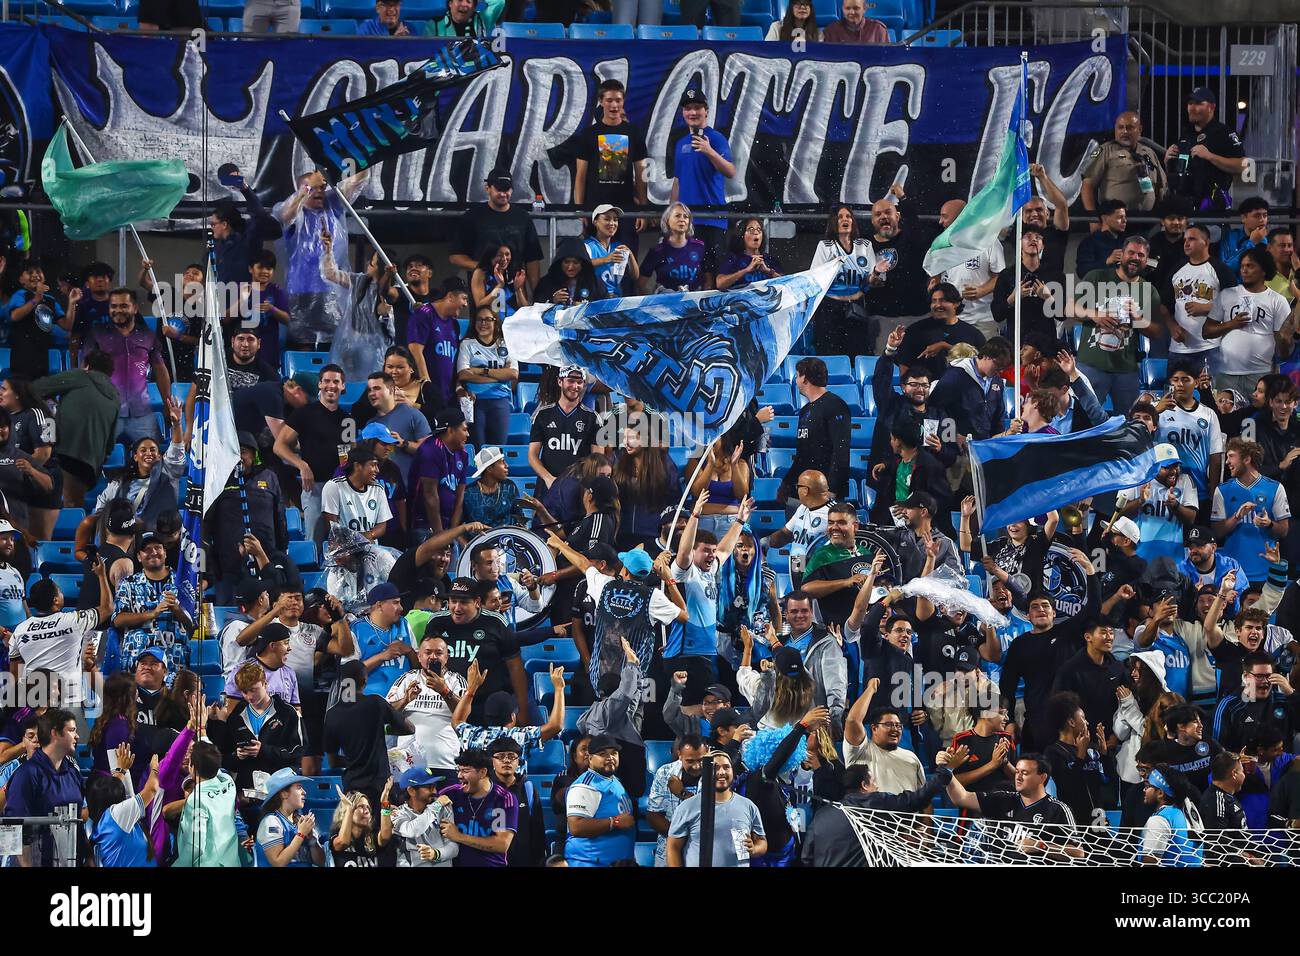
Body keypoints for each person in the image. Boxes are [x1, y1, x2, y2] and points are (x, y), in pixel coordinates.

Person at [801, 748, 962, 866]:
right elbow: (917, 799)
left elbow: (806, 858)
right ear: (864, 785)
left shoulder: (821, 815)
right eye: (874, 782)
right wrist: (945, 770)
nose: (877, 787)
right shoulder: (873, 803)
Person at [272, 167, 369, 351]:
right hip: (300, 295)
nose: (319, 192)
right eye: (313, 189)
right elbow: (285, 215)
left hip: (333, 293)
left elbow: (357, 182)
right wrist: (309, 187)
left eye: (321, 188)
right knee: (302, 348)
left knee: (332, 350)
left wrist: (365, 156)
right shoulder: (291, 211)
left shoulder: (333, 205)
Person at [10, 560, 110, 731]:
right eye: (60, 591)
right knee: (74, 752)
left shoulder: (20, 630)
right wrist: (101, 575)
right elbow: (107, 608)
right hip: (70, 701)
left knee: (38, 752)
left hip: (36, 703)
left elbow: (15, 673)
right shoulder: (73, 621)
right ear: (56, 600)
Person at [422, 578, 530, 725]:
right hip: (446, 703)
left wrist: (523, 710)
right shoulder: (436, 622)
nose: (457, 608)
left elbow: (515, 666)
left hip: (487, 706)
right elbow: (425, 660)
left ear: (477, 602)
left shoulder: (496, 623)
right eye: (453, 601)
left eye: (464, 602)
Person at [1075, 235, 1162, 414]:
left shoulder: (1148, 290)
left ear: (1146, 260)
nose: (1135, 258)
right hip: (1091, 364)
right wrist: (1095, 315)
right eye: (1131, 252)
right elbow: (1070, 308)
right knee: (1083, 418)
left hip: (1125, 370)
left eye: (1141, 255)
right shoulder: (1097, 276)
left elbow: (1157, 331)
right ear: (1121, 255)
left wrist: (1138, 318)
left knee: (1129, 420)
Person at [1203, 247, 1296, 398]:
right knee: (1227, 419)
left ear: (1264, 270)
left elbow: (1284, 346)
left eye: (1250, 266)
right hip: (1227, 374)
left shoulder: (1277, 300)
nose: (1244, 270)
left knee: (1258, 419)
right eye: (1242, 266)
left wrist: (1283, 341)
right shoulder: (1227, 295)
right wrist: (1231, 324)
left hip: (1261, 375)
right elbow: (1206, 331)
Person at [323, 661, 416, 810]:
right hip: (380, 787)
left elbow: (333, 762)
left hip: (352, 789)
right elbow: (410, 728)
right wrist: (383, 730)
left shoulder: (332, 714)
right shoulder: (375, 703)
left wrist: (356, 760)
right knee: (383, 832)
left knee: (357, 831)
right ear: (365, 680)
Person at [32, 352, 120, 508]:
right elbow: (110, 444)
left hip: (65, 453)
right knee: (73, 505)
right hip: (91, 465)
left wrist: (50, 404)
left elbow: (36, 388)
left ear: (86, 366)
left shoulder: (80, 376)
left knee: (64, 506)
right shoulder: (115, 396)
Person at [84, 288, 171, 444]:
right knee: (96, 460)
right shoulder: (97, 334)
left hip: (142, 413)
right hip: (107, 413)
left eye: (124, 306)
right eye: (114, 306)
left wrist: (167, 402)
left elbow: (160, 370)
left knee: (153, 459)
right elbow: (85, 370)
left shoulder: (148, 336)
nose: (118, 310)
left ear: (135, 308)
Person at [274, 364, 349, 545]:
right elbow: (279, 446)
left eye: (336, 381)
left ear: (343, 386)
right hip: (313, 488)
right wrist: (302, 465)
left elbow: (348, 453)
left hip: (340, 489)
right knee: (313, 541)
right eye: (327, 381)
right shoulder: (304, 414)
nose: (331, 386)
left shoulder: (348, 419)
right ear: (320, 385)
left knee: (342, 543)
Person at [206, 660, 305, 795]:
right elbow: (223, 758)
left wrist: (263, 750)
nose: (249, 696)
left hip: (280, 791)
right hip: (245, 791)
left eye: (253, 690)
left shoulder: (288, 713)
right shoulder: (236, 717)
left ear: (265, 684)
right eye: (244, 692)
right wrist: (237, 756)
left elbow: (298, 752)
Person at [571, 78, 648, 247]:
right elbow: (580, 176)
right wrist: (580, 209)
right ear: (601, 102)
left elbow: (641, 174)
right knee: (596, 258)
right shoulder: (588, 134)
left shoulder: (634, 133)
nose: (614, 105)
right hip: (596, 209)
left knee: (626, 259)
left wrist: (643, 209)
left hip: (626, 209)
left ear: (623, 102)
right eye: (609, 100)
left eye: (618, 100)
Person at [3, 709, 84, 866]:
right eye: (72, 730)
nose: (77, 736)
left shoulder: (73, 773)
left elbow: (78, 822)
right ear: (55, 733)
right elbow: (10, 828)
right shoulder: (26, 774)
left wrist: (88, 857)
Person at [666, 748, 766, 867]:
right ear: (705, 773)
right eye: (716, 767)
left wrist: (754, 849)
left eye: (726, 767)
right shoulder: (687, 807)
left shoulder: (748, 806)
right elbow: (673, 848)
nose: (722, 772)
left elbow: (762, 841)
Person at [670, 88, 735, 267]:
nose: (692, 112)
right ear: (683, 112)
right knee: (689, 275)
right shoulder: (681, 143)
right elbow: (677, 181)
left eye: (697, 107)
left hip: (712, 219)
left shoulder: (716, 138)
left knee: (715, 277)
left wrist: (709, 151)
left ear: (706, 110)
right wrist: (670, 216)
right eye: (688, 108)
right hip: (687, 222)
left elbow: (730, 171)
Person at [448, 167, 542, 290]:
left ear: (512, 190)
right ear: (487, 188)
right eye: (498, 189)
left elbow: (532, 259)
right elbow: (455, 256)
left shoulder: (523, 217)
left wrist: (536, 294)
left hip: (514, 286)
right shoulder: (472, 217)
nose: (503, 194)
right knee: (484, 310)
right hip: (482, 285)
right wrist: (483, 267)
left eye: (506, 189)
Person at [1211, 438, 1290, 584]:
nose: (1227, 462)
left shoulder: (1275, 488)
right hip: (1233, 574)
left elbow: (1284, 530)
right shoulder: (1222, 490)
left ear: (1247, 459)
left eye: (1231, 456)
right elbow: (1217, 532)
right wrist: (1237, 517)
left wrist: (1269, 524)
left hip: (1266, 571)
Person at [1164, 225, 1238, 375]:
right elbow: (1163, 305)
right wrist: (1172, 326)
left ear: (1206, 242)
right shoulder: (1176, 270)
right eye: (1185, 239)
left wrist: (1206, 308)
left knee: (1210, 396)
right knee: (1174, 396)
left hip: (1210, 349)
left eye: (1192, 239)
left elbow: (1236, 306)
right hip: (1178, 349)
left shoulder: (1220, 270)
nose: (1186, 243)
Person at [809, 204, 881, 357]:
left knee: (858, 353)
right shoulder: (825, 246)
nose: (845, 219)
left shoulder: (865, 246)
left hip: (857, 307)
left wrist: (876, 275)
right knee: (830, 355)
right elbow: (814, 279)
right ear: (833, 222)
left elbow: (871, 279)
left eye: (848, 216)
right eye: (840, 217)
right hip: (829, 309)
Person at [1164, 87, 1246, 213]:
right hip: (1184, 207)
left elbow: (1243, 166)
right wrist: (1168, 160)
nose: (1192, 108)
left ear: (1212, 107)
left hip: (1211, 209)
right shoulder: (1186, 134)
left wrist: (1210, 156)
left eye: (1198, 103)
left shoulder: (1223, 133)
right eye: (1190, 103)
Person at [1157, 360, 1226, 502]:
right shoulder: (1158, 411)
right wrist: (1155, 411)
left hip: (1198, 490)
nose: (1180, 384)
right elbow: (1137, 434)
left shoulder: (1208, 414)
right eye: (1175, 380)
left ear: (1195, 382)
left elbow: (1215, 457)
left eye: (1185, 379)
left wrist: (1214, 492)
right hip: (1162, 490)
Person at [528, 365, 602, 492]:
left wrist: (586, 483)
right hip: (548, 487)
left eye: (579, 382)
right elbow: (532, 455)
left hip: (578, 489)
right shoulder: (543, 414)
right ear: (559, 381)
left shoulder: (593, 418)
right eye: (571, 381)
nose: (575, 386)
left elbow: (598, 459)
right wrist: (548, 478)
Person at [438, 747, 517, 867]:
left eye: (465, 771)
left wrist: (459, 836)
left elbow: (501, 844)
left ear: (482, 772)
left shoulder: (502, 799)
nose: (459, 775)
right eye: (458, 770)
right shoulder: (450, 794)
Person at [563, 734, 635, 866]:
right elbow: (576, 827)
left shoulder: (614, 780)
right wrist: (615, 822)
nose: (610, 758)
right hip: (589, 862)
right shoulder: (585, 785)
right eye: (603, 754)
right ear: (590, 758)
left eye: (614, 753)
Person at [928, 336, 1013, 442]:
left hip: (986, 447)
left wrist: (997, 445)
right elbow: (932, 409)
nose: (1000, 371)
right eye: (998, 365)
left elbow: (998, 417)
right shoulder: (955, 376)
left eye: (1003, 367)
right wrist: (952, 436)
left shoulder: (997, 381)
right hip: (957, 449)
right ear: (986, 356)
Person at [1081, 112, 1167, 214]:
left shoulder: (1149, 152)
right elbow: (1087, 186)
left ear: (1139, 129)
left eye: (1130, 128)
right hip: (1116, 219)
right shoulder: (1103, 151)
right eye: (1120, 127)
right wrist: (1092, 218)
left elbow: (1161, 186)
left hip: (1148, 219)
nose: (1124, 131)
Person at [456, 308, 518, 449]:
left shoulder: (506, 345)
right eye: (480, 319)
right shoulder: (467, 344)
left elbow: (513, 374)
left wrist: (480, 371)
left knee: (497, 449)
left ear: (495, 323)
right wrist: (500, 376)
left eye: (488, 319)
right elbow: (464, 374)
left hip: (500, 402)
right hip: (475, 402)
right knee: (478, 449)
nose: (483, 323)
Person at [645, 734, 707, 867]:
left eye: (701, 760)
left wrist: (683, 793)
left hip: (703, 850)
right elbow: (653, 816)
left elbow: (708, 816)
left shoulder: (716, 775)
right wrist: (679, 838)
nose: (696, 766)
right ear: (679, 755)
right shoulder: (664, 772)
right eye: (690, 761)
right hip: (668, 850)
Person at [408, 407, 470, 536]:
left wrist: (452, 531)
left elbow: (460, 495)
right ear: (451, 430)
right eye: (464, 429)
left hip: (448, 526)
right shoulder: (430, 450)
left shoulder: (463, 455)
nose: (468, 434)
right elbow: (430, 495)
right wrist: (439, 534)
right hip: (425, 525)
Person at [255, 767, 325, 868]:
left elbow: (322, 863)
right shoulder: (271, 822)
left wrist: (312, 840)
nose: (304, 792)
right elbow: (278, 863)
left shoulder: (301, 821)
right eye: (299, 787)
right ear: (284, 794)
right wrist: (301, 834)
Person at [390, 766, 458, 867]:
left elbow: (454, 847)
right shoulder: (398, 814)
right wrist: (436, 806)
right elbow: (412, 830)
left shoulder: (443, 808)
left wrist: (436, 854)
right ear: (411, 790)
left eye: (435, 786)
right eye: (429, 787)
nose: (435, 791)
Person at [1138, 765, 1205, 865]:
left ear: (1160, 793)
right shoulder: (1187, 810)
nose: (1144, 790)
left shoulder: (1159, 820)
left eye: (1148, 786)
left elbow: (1150, 862)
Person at [639, 202, 709, 294]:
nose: (682, 219)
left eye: (685, 216)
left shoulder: (699, 247)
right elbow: (640, 284)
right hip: (666, 302)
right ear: (667, 220)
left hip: (693, 301)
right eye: (677, 216)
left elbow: (709, 280)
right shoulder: (657, 251)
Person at [330, 782, 394, 867]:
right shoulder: (336, 834)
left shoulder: (371, 836)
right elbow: (343, 842)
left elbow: (385, 836)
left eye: (368, 807)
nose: (367, 811)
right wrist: (350, 809)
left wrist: (385, 803)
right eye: (361, 807)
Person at [584, 206, 640, 298]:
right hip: (595, 298)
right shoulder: (588, 245)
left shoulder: (618, 247)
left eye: (615, 220)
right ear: (595, 222)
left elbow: (635, 276)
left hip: (616, 298)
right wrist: (606, 259)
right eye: (607, 219)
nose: (612, 223)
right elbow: (583, 265)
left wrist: (630, 255)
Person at [715, 218, 781, 291]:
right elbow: (720, 283)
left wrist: (768, 271)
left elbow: (787, 283)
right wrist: (746, 270)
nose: (756, 232)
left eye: (759, 229)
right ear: (742, 235)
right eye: (751, 229)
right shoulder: (734, 258)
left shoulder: (770, 259)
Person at [1074, 199, 1131, 278]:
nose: (1124, 221)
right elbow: (1082, 271)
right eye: (1119, 217)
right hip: (1099, 287)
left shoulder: (1128, 242)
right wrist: (1107, 261)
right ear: (1104, 218)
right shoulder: (1089, 242)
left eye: (1125, 217)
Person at [427, 0, 505, 36]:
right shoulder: (435, 24)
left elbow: (499, 2)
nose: (464, 4)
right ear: (450, 3)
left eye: (468, 1)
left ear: (474, 7)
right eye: (460, 0)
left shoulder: (482, 20)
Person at [822, 0, 887, 43]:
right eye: (847, 8)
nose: (852, 12)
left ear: (864, 9)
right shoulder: (831, 30)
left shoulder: (878, 29)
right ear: (842, 9)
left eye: (856, 8)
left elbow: (887, 57)